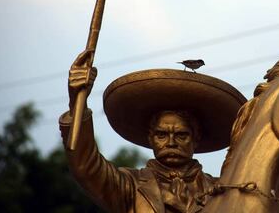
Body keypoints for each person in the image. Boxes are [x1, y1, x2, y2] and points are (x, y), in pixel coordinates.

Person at [59, 50, 246, 213]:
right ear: (150, 138)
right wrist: (77, 103)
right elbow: (86, 166)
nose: (171, 142)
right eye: (162, 135)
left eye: (181, 135)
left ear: (196, 139)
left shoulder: (222, 192)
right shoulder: (130, 186)